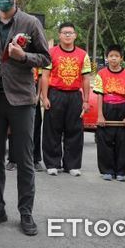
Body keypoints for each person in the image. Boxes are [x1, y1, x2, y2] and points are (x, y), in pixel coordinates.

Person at [0, 0, 50, 236]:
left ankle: (26, 212)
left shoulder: (30, 23)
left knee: (24, 158)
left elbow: (45, 58)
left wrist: (24, 55)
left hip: (21, 99)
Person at [41, 22, 91, 177]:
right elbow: (45, 76)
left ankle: (73, 164)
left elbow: (86, 79)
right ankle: (52, 163)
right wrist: (44, 97)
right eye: (64, 32)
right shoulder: (50, 52)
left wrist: (86, 100)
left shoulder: (83, 54)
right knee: (52, 130)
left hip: (75, 95)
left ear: (75, 35)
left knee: (74, 130)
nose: (68, 35)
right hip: (55, 94)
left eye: (70, 33)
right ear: (59, 35)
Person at [94, 44, 125, 182]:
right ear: (107, 58)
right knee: (104, 141)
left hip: (122, 107)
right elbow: (99, 95)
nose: (113, 59)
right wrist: (100, 114)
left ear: (121, 58)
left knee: (122, 141)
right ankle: (107, 170)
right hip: (107, 107)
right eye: (111, 56)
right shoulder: (101, 74)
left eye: (116, 56)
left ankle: (120, 171)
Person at [6, 68, 43, 172]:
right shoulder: (12, 52)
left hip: (32, 89)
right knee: (13, 126)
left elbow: (40, 76)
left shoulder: (35, 54)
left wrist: (38, 95)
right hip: (15, 89)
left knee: (35, 126)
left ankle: (35, 159)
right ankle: (13, 159)